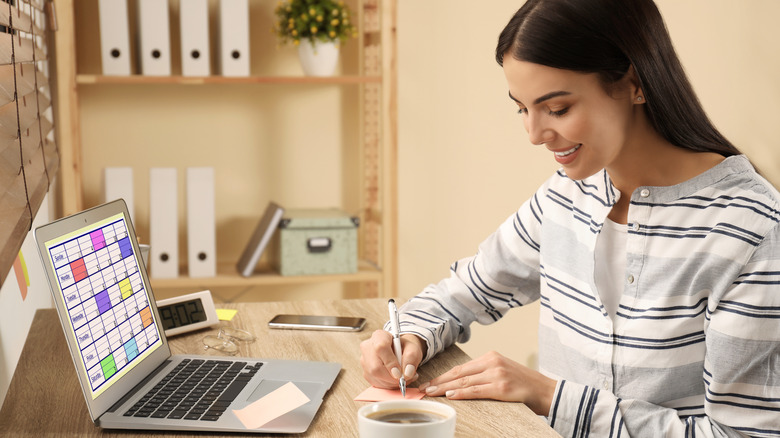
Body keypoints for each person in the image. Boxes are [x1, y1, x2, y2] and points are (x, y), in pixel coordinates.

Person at [359, 0, 780, 436]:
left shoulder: (751, 229)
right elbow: (465, 293)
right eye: (522, 108)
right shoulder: (566, 196)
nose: (535, 135)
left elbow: (742, 434)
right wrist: (408, 335)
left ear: (634, 82)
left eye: (556, 109)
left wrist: (549, 397)